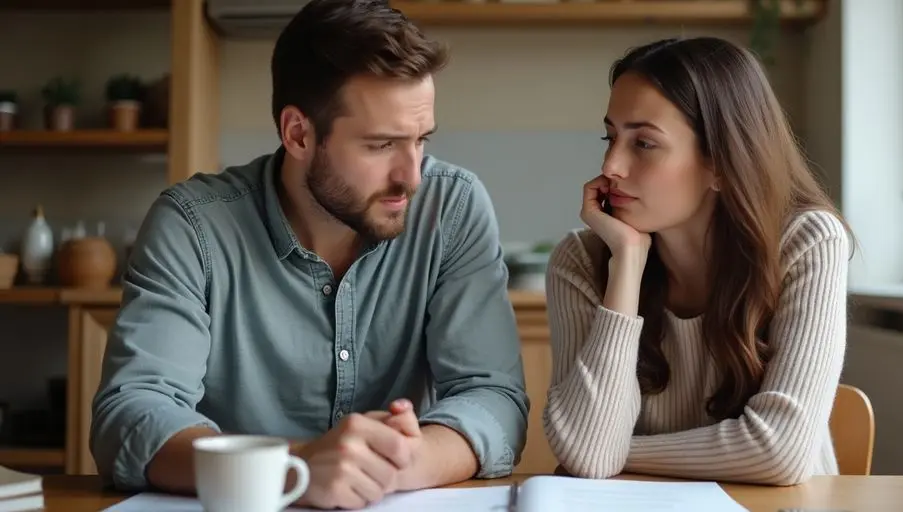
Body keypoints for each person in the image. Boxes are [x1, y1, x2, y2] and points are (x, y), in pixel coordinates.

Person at [90, 0, 528, 508]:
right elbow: (131, 415)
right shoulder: (192, 225)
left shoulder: (452, 208)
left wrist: (399, 463)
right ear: (298, 133)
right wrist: (293, 468)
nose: (411, 177)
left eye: (421, 140)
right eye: (381, 144)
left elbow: (494, 398)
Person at [542, 36, 853, 486]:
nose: (611, 165)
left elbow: (779, 452)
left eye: (644, 143)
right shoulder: (581, 259)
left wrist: (610, 452)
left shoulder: (807, 242)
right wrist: (626, 263)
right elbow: (589, 459)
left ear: (721, 163)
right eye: (610, 137)